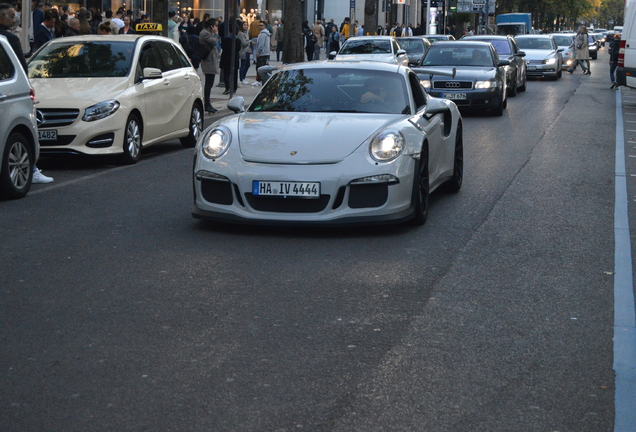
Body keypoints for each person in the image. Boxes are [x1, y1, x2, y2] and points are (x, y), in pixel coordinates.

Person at [0, 2, 54, 184]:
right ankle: (32, 169)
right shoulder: (8, 39)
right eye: (12, 15)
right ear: (2, 18)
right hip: (10, 91)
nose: (15, 18)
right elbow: (22, 70)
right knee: (21, 133)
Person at [199, 18, 220, 113]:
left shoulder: (208, 33)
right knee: (208, 83)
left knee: (210, 83)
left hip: (211, 60)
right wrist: (216, 34)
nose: (216, 27)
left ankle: (208, 103)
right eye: (215, 25)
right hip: (208, 60)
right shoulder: (205, 33)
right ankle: (207, 104)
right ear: (211, 26)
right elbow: (214, 42)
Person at [220, 21, 241, 95]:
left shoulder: (226, 39)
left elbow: (222, 46)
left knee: (226, 73)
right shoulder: (238, 40)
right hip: (235, 57)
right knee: (234, 73)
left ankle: (228, 87)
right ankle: (234, 87)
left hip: (226, 56)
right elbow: (239, 49)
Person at [253, 20, 270, 84]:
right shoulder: (264, 33)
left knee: (260, 67)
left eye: (261, 25)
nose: (260, 27)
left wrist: (257, 52)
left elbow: (261, 44)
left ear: (265, 26)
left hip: (262, 53)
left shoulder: (263, 34)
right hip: (265, 53)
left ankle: (260, 80)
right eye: (259, 25)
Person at [238, 20, 251, 84]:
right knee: (243, 65)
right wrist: (249, 41)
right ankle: (241, 78)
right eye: (244, 25)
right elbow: (243, 43)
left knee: (247, 65)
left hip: (247, 51)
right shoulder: (241, 34)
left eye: (246, 25)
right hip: (243, 51)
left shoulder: (246, 33)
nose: (246, 26)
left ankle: (243, 77)